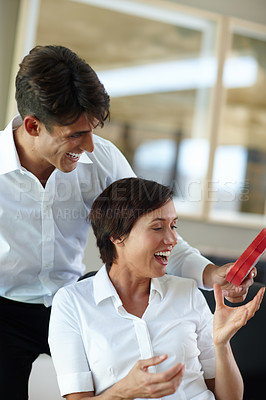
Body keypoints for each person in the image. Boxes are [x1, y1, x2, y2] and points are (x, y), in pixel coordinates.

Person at [0, 45, 255, 400]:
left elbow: (150, 229)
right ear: (32, 125)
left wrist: (210, 274)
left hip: (72, 294)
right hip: (6, 307)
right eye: (76, 134)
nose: (89, 145)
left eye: (92, 130)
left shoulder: (101, 158)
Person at [48, 177, 264, 400]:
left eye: (173, 226)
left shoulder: (188, 293)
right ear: (117, 236)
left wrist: (222, 344)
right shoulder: (72, 303)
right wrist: (124, 391)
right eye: (158, 227)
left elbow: (230, 398)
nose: (172, 239)